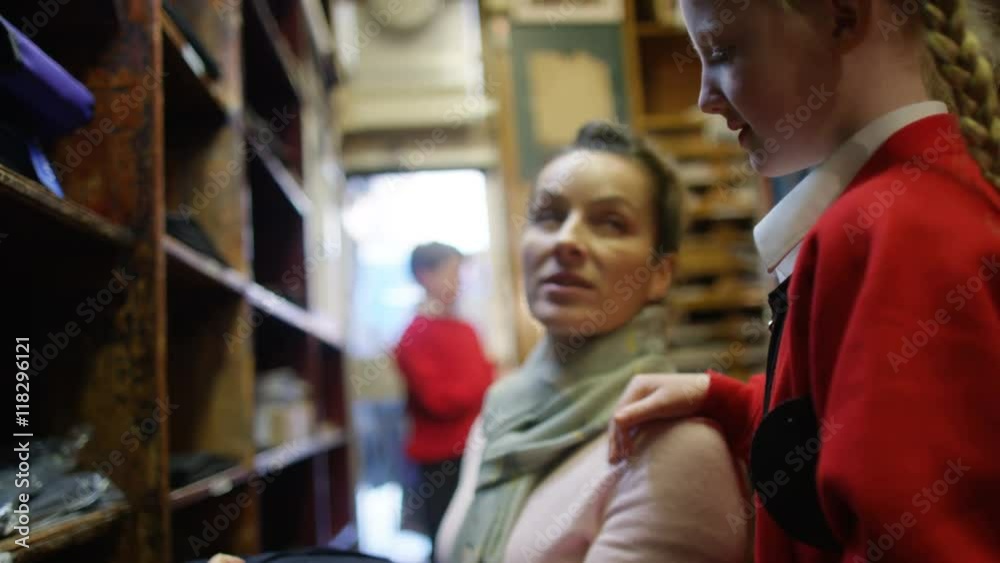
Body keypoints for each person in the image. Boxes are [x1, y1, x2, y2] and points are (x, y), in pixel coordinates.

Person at [609, 1, 1000, 562]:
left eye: (722, 52)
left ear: (841, 17)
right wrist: (733, 403)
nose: (703, 98)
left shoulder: (888, 230)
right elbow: (869, 435)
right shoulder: (933, 190)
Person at [435, 122, 749, 563]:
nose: (566, 240)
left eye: (611, 223)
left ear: (660, 274)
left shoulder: (676, 447)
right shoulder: (503, 414)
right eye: (549, 216)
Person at [394, 242, 496, 556]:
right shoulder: (413, 335)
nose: (460, 281)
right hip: (440, 459)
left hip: (480, 448)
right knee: (446, 544)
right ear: (425, 276)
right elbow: (440, 401)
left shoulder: (467, 329)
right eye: (452, 273)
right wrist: (485, 382)